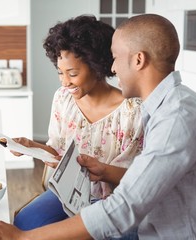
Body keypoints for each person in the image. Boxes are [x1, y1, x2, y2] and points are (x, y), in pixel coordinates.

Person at [0, 13, 196, 240]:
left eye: (115, 58)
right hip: (155, 220)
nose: (111, 67)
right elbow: (141, 185)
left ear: (138, 60)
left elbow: (122, 209)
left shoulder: (176, 118)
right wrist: (103, 171)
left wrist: (23, 238)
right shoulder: (168, 106)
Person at [11, 15, 144, 231]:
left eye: (72, 74)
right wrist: (32, 147)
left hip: (113, 202)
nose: (65, 82)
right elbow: (57, 151)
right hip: (67, 196)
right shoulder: (63, 98)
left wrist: (102, 171)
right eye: (60, 73)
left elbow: (139, 179)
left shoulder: (132, 111)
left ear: (97, 66)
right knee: (25, 223)